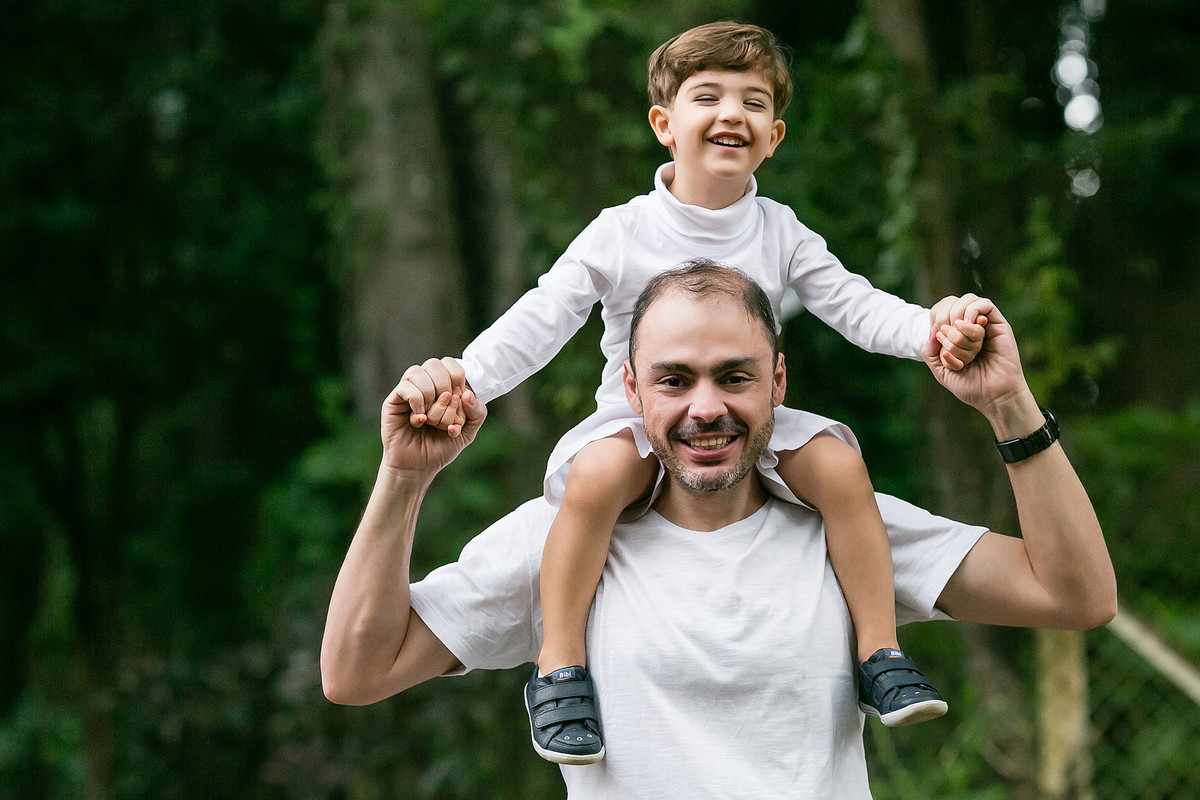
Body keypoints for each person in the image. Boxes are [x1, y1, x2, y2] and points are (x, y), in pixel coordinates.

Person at [397, 21, 988, 764]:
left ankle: (879, 654)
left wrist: (929, 329)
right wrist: (467, 377)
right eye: (707, 95)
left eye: (753, 100)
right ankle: (560, 668)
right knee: (597, 475)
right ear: (664, 125)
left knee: (840, 465)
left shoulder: (781, 231)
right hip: (637, 417)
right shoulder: (622, 231)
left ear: (773, 136)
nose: (730, 113)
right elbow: (542, 317)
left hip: (747, 415)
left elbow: (854, 303)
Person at [321, 263, 1116, 799]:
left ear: (778, 380)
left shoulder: (848, 531)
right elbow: (356, 672)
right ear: (631, 390)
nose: (707, 408)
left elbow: (1075, 594)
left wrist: (1008, 404)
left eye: (735, 376)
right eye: (675, 379)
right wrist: (405, 477)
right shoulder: (562, 540)